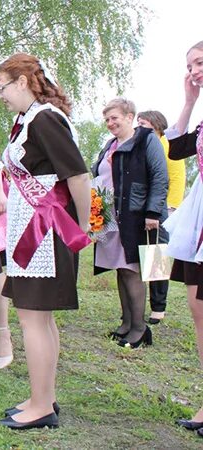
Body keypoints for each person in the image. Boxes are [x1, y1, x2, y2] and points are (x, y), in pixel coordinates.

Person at [0, 53, 91, 430]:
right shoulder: (27, 120)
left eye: (3, 87)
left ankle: (40, 405)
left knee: (33, 320)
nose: (0, 95)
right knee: (39, 319)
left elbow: (78, 176)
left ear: (22, 82)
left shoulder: (45, 119)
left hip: (44, 235)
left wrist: (79, 229)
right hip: (31, 230)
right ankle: (43, 396)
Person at [92, 98, 167, 349]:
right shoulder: (109, 144)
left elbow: (159, 176)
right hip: (109, 216)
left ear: (129, 116)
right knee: (119, 268)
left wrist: (153, 212)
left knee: (132, 269)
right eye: (107, 119)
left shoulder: (146, 139)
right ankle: (126, 322)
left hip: (134, 214)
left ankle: (140, 328)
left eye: (114, 117)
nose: (110, 123)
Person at [162, 40, 203, 439]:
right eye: (190, 64)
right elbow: (175, 150)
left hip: (181, 211)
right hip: (198, 221)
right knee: (198, 311)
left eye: (200, 63)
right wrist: (189, 101)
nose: (194, 69)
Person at [137, 110, 184, 324]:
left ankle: (158, 307)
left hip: (162, 208)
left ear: (156, 125)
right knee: (142, 256)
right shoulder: (139, 144)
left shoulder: (168, 144)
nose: (139, 126)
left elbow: (175, 177)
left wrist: (171, 207)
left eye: (143, 122)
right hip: (141, 206)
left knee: (156, 256)